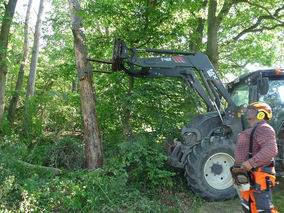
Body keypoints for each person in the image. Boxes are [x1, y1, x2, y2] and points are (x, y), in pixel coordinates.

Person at [234, 102, 278, 213]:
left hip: (259, 174)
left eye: (252, 110)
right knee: (248, 206)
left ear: (261, 114)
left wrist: (250, 163)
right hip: (247, 174)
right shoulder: (250, 130)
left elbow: (271, 150)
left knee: (263, 209)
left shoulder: (264, 128)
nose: (248, 112)